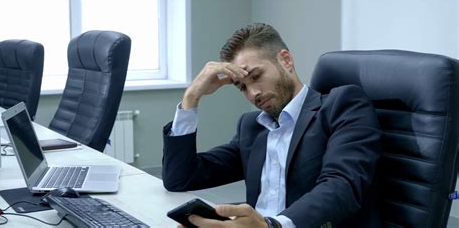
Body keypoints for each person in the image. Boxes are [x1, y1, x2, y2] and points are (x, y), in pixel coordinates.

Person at [162, 23, 382, 228]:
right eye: (242, 87)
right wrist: (191, 97)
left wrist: (272, 225)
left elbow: (341, 186)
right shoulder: (252, 128)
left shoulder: (342, 105)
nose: (253, 93)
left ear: (286, 60)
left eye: (256, 76)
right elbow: (180, 178)